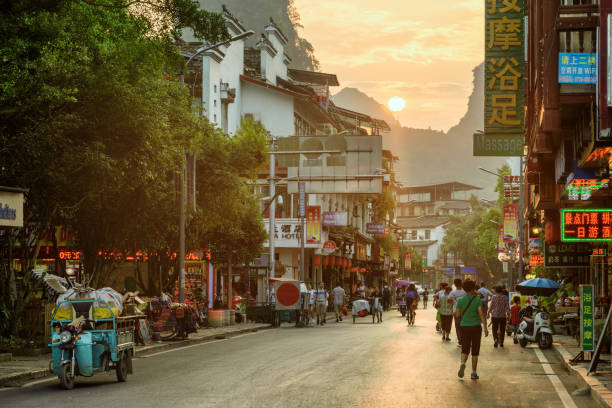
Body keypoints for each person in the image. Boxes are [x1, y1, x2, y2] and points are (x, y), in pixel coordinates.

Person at [455, 279, 488, 380]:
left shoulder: (460, 300)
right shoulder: (477, 300)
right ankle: (473, 372)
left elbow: (457, 314)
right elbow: (481, 314)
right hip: (476, 327)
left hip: (464, 327)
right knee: (475, 350)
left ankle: (462, 363)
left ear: (464, 289)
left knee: (465, 348)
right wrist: (485, 327)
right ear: (474, 288)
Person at [449, 279, 466, 346]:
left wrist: (454, 303)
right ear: (461, 283)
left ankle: (460, 341)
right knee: (465, 326)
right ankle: (465, 340)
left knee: (458, 326)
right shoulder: (465, 292)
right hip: (465, 311)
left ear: (455, 284)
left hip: (456, 311)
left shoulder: (452, 292)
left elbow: (449, 300)